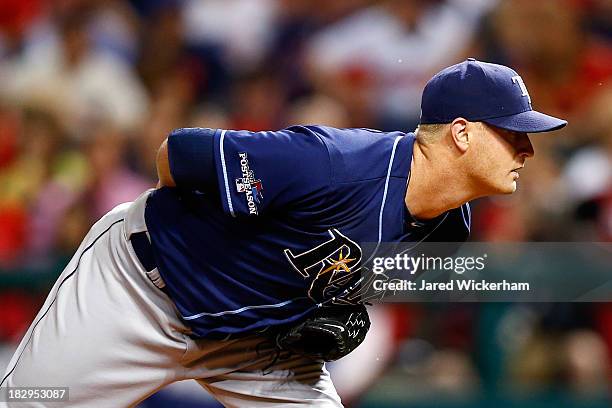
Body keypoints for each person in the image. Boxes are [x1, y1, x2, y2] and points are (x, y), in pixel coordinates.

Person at [1, 59, 566, 407]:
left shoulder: (447, 228)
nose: (527, 148)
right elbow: (177, 154)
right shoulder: (331, 163)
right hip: (139, 292)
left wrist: (333, 314)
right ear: (462, 135)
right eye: (512, 132)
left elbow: (341, 276)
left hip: (255, 345)